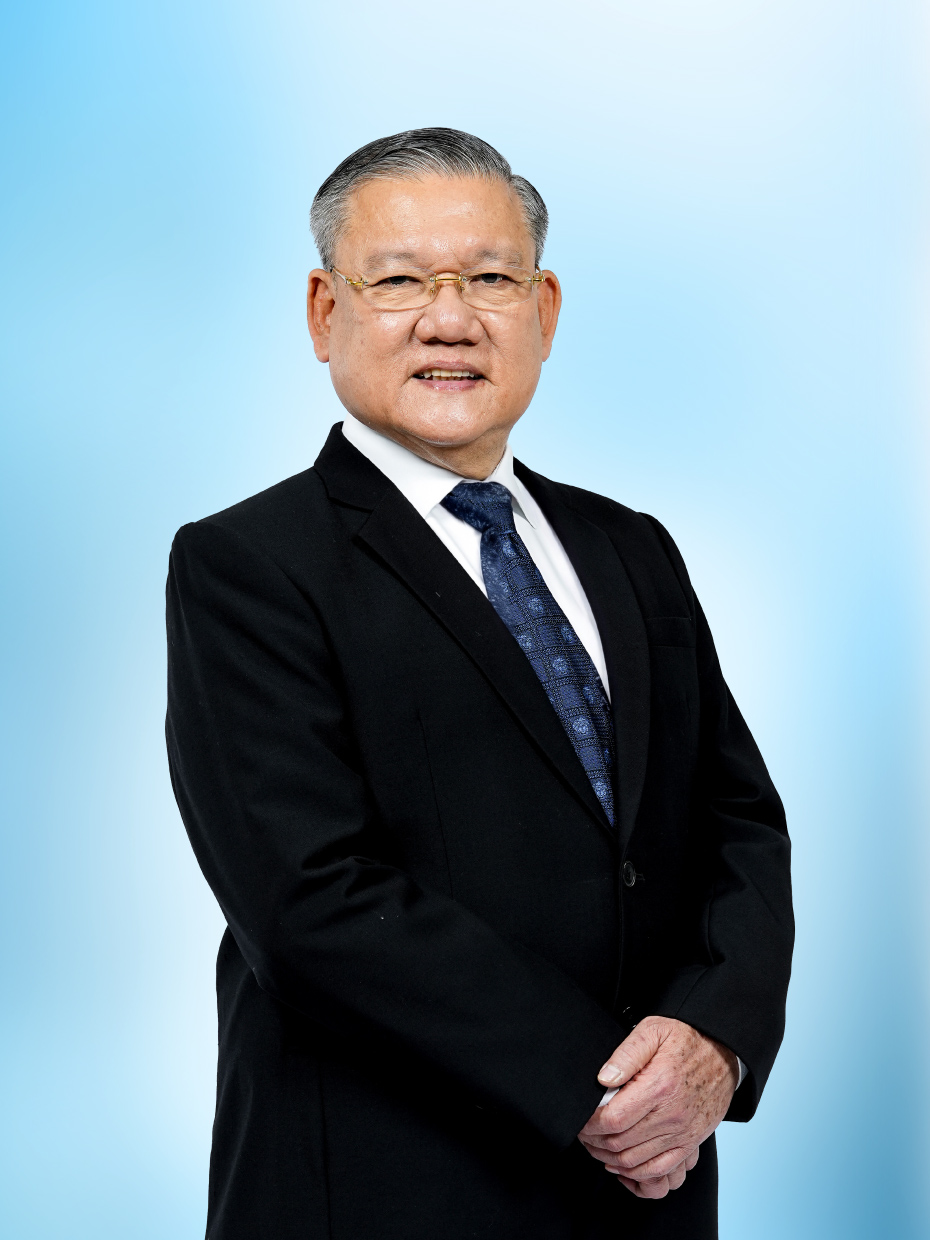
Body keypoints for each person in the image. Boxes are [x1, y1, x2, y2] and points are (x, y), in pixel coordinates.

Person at [165, 128, 793, 1240]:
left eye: (491, 279)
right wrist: (602, 1087)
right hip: (387, 1188)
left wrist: (714, 1041)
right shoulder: (249, 565)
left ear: (544, 311)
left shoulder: (631, 547)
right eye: (400, 281)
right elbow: (308, 903)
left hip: (647, 1186)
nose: (449, 319)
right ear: (323, 310)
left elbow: (736, 821)